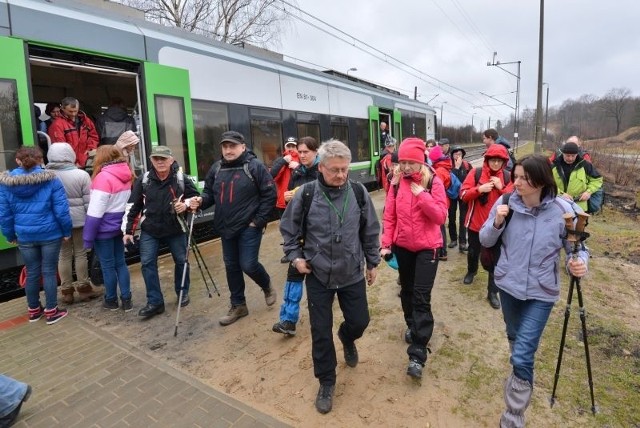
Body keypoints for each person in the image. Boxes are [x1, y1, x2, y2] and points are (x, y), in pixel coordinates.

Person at [479, 154, 588, 427]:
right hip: (508, 286)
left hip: (542, 292)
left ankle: (512, 417)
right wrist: (497, 223)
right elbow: (484, 238)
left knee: (523, 352)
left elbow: (577, 247)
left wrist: (579, 263)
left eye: (523, 178)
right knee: (517, 342)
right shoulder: (505, 204)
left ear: (540, 181)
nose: (516, 183)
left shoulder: (563, 210)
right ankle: (522, 372)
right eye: (515, 177)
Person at [279, 140, 380, 414]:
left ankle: (347, 337)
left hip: (351, 272)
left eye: (344, 169)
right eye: (334, 170)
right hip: (318, 273)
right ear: (320, 167)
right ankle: (326, 380)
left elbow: (370, 230)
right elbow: (288, 229)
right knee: (320, 332)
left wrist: (373, 262)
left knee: (360, 321)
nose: (341, 175)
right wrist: (296, 258)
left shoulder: (358, 193)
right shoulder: (307, 194)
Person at [192, 131, 277, 326]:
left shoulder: (254, 167)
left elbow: (269, 194)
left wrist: (258, 221)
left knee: (248, 264)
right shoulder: (217, 168)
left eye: (232, 146)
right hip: (225, 227)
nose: (228, 150)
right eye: (225, 146)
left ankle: (267, 285)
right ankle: (238, 305)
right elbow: (209, 194)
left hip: (249, 226)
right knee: (231, 267)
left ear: (242, 147)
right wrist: (200, 201)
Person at [380, 137, 448, 381]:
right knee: (406, 292)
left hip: (427, 249)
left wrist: (422, 196)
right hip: (403, 247)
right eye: (403, 162)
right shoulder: (396, 183)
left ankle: (418, 351)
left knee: (420, 295)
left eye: (411, 162)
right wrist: (386, 244)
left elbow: (440, 217)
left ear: (421, 162)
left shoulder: (433, 183)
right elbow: (389, 217)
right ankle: (412, 324)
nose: (406, 167)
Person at [124, 146, 200, 318]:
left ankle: (182, 292)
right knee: (147, 264)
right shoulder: (144, 180)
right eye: (156, 158)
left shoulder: (181, 178)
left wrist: (186, 204)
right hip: (150, 229)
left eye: (163, 158)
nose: (160, 162)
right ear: (151, 160)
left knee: (182, 261)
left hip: (175, 228)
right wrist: (128, 230)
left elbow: (196, 198)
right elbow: (134, 206)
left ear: (171, 160)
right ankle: (155, 302)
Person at [0, 146, 72, 324]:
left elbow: (4, 213)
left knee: (32, 272)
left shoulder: (6, 183)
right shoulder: (51, 180)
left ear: (18, 161)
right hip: (50, 233)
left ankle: (33, 311)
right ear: (40, 160)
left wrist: (9, 234)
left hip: (25, 235)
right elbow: (61, 210)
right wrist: (66, 231)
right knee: (48, 272)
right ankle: (51, 311)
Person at [272, 136, 320, 336]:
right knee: (294, 275)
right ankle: (288, 320)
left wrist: (299, 192)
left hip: (319, 233)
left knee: (320, 280)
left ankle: (321, 316)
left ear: (316, 152)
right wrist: (287, 196)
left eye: (305, 152)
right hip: (300, 232)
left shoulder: (324, 170)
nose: (301, 155)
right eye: (299, 152)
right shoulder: (297, 171)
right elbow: (291, 197)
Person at [45, 143, 103, 305]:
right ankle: (84, 289)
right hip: (79, 222)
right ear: (70, 155)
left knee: (63, 255)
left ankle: (67, 293)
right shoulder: (81, 175)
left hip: (57, 223)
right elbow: (88, 203)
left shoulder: (47, 175)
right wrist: (92, 222)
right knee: (80, 253)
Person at [460, 144, 514, 309]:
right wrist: (479, 189)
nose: (496, 164)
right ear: (487, 160)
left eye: (499, 161)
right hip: (476, 224)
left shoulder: (507, 177)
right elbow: (463, 195)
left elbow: (513, 200)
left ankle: (492, 292)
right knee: (473, 251)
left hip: (497, 227)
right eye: (493, 160)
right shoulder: (475, 173)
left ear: (504, 162)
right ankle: (472, 270)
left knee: (495, 260)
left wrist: (501, 188)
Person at [83, 145, 133, 311]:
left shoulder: (103, 178)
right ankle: (127, 300)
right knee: (121, 263)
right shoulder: (127, 173)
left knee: (107, 266)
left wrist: (88, 239)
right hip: (119, 227)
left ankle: (111, 300)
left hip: (103, 229)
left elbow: (95, 212)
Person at [551, 141, 603, 213]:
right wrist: (560, 194)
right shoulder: (554, 165)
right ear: (562, 153)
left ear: (577, 154)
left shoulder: (585, 165)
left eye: (573, 156)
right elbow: (547, 183)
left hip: (580, 206)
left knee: (578, 224)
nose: (570, 158)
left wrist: (588, 192)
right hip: (558, 205)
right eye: (567, 156)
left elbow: (597, 180)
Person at [48, 97, 99, 168]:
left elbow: (93, 136)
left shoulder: (85, 120)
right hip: (69, 163)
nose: (73, 114)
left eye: (76, 111)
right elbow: (60, 148)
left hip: (86, 160)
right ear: (62, 109)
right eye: (70, 111)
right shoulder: (57, 124)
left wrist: (90, 148)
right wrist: (72, 162)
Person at [428, 145, 451, 261]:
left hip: (440, 202)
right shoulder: (442, 167)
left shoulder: (439, 171)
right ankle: (442, 251)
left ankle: (442, 252)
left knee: (440, 227)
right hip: (444, 200)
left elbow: (437, 189)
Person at [447, 146, 472, 252]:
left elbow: (471, 178)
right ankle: (453, 239)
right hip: (452, 195)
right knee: (451, 217)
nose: (458, 156)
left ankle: (462, 242)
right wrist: (456, 168)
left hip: (463, 195)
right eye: (455, 154)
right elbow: (449, 179)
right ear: (452, 155)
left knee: (463, 218)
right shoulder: (448, 165)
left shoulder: (467, 165)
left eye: (460, 154)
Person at [270, 137, 300, 218]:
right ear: (285, 147)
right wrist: (283, 161)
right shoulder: (280, 160)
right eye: (288, 146)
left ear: (297, 148)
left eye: (293, 146)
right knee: (285, 228)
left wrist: (298, 167)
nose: (291, 149)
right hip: (283, 202)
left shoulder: (302, 160)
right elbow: (271, 176)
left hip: (299, 201)